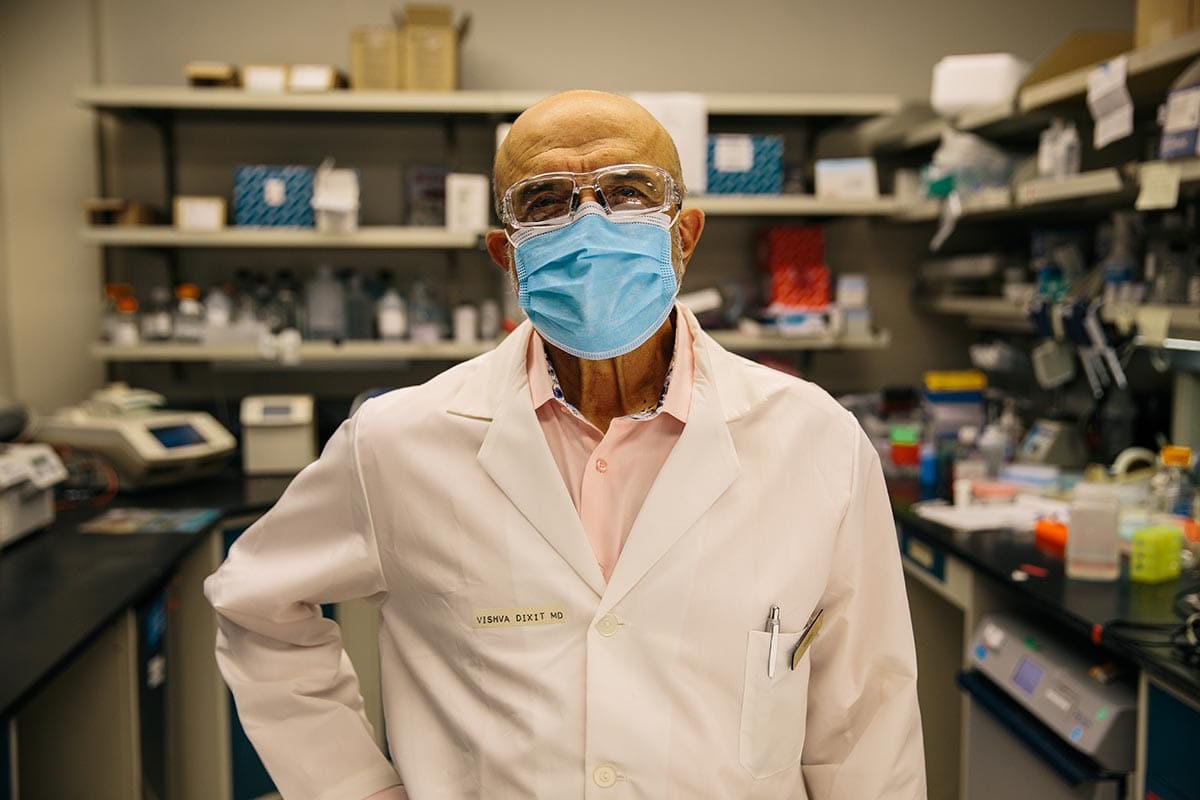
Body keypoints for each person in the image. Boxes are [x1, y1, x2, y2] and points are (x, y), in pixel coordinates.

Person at [206, 89, 926, 800]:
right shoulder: (397, 443)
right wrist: (354, 788)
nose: (591, 225)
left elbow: (867, 719)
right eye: (546, 202)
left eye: (629, 191)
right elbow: (254, 606)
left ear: (684, 234)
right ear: (506, 254)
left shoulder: (814, 440)